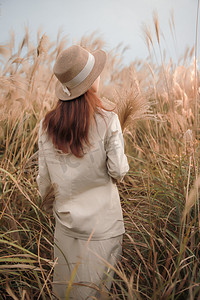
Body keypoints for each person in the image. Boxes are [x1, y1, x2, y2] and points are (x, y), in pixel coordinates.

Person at [37, 45, 129, 299]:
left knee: (65, 291)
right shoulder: (108, 119)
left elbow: (44, 183)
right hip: (103, 228)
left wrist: (51, 209)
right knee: (97, 292)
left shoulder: (47, 125)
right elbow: (118, 170)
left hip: (65, 226)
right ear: (90, 83)